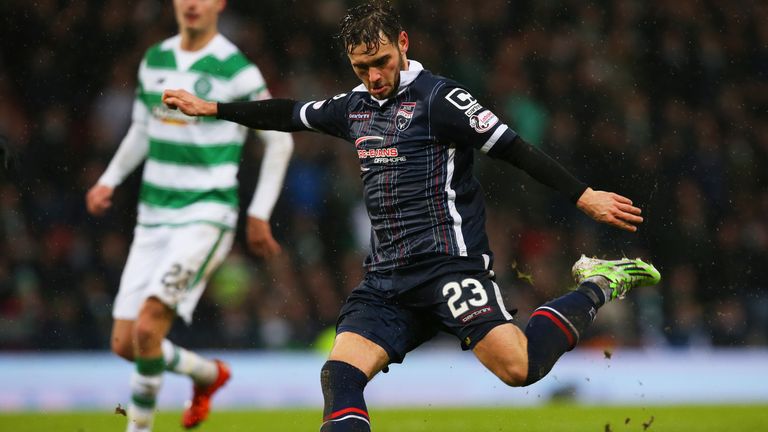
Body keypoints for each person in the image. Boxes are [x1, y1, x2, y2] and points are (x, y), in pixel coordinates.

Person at [162, 2, 660, 430]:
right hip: (385, 281)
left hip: (449, 268)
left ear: (403, 44)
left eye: (380, 62)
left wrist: (584, 194)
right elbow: (290, 113)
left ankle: (597, 283)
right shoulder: (353, 106)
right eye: (361, 68)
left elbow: (514, 148)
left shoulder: (442, 99)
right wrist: (214, 108)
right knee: (340, 374)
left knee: (520, 369)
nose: (373, 77)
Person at [85, 0, 294, 430]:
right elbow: (142, 129)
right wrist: (109, 179)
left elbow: (280, 141)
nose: (193, 3)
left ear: (220, 3)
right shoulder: (155, 59)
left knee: (147, 330)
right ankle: (207, 374)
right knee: (127, 343)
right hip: (153, 217)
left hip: (206, 214)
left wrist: (258, 212)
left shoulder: (236, 69)